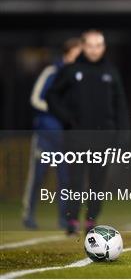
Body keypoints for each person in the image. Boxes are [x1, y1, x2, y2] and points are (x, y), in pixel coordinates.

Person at [46, 29, 129, 235]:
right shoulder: (71, 70)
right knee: (75, 181)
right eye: (90, 45)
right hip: (76, 137)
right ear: (83, 47)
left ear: (104, 48)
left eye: (98, 45)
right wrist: (67, 119)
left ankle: (91, 220)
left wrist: (122, 135)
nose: (94, 50)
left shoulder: (111, 72)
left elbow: (120, 106)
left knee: (97, 183)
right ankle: (72, 220)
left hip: (104, 138)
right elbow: (52, 97)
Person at [22, 38, 82, 229]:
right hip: (46, 135)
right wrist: (57, 109)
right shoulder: (52, 72)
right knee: (38, 177)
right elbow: (35, 99)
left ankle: (64, 219)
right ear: (68, 53)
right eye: (78, 52)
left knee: (65, 179)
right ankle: (28, 215)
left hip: (65, 138)